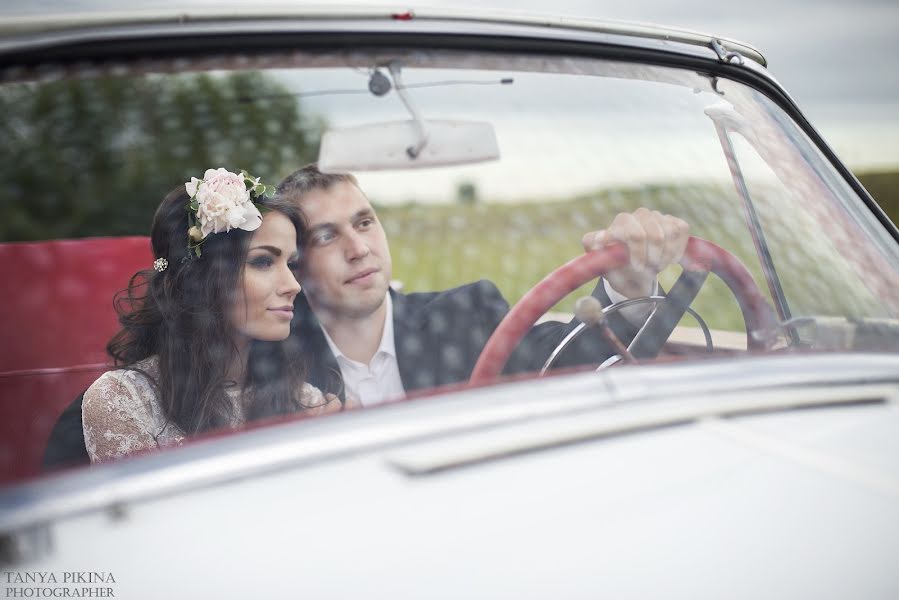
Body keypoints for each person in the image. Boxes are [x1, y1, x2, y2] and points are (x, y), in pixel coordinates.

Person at [276, 165, 690, 407]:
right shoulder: (268, 358)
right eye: (326, 236)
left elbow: (574, 361)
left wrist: (629, 284)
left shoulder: (465, 314)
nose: (359, 248)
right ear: (295, 262)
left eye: (364, 222)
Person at [79, 168, 344, 463]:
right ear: (202, 277)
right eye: (263, 261)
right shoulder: (125, 402)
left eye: (291, 264)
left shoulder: (305, 400)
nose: (293, 285)